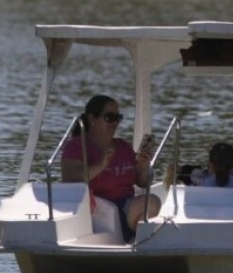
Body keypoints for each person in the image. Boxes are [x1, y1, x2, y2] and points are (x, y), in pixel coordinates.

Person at [61, 94, 160, 242]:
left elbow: (142, 182)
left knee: (152, 202)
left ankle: (136, 242)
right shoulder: (76, 146)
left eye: (118, 118)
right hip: (98, 212)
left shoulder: (123, 147)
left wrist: (144, 167)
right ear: (92, 119)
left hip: (126, 208)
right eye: (109, 117)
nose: (115, 123)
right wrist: (100, 165)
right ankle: (135, 240)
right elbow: (70, 178)